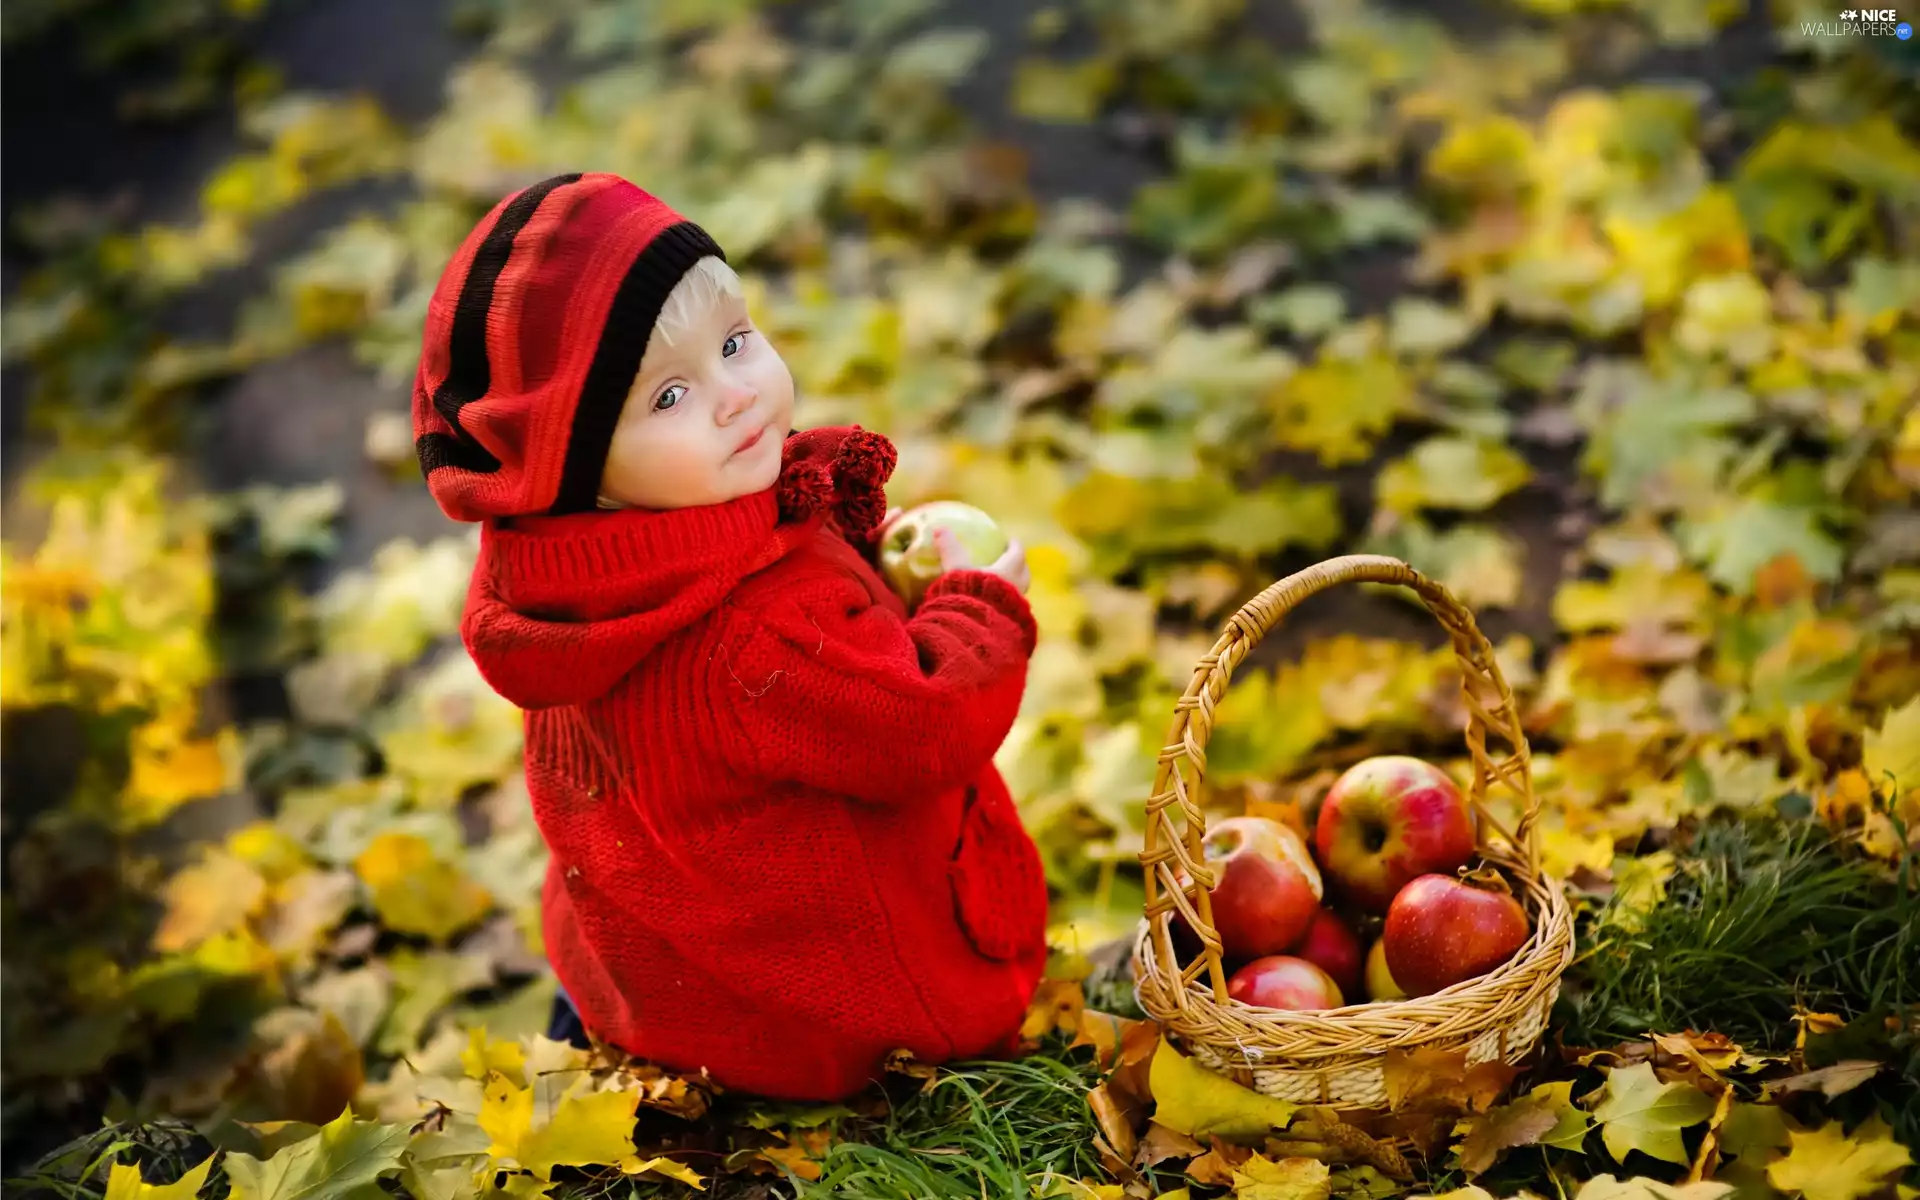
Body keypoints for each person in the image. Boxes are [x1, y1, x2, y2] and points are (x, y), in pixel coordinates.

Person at [410, 172, 1049, 1101]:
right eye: (668, 396)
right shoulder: (757, 630)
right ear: (574, 469)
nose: (734, 395)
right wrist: (974, 603)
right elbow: (925, 723)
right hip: (824, 1027)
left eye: (736, 342)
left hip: (668, 979)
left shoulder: (572, 590)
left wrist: (867, 556)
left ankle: (609, 1025)